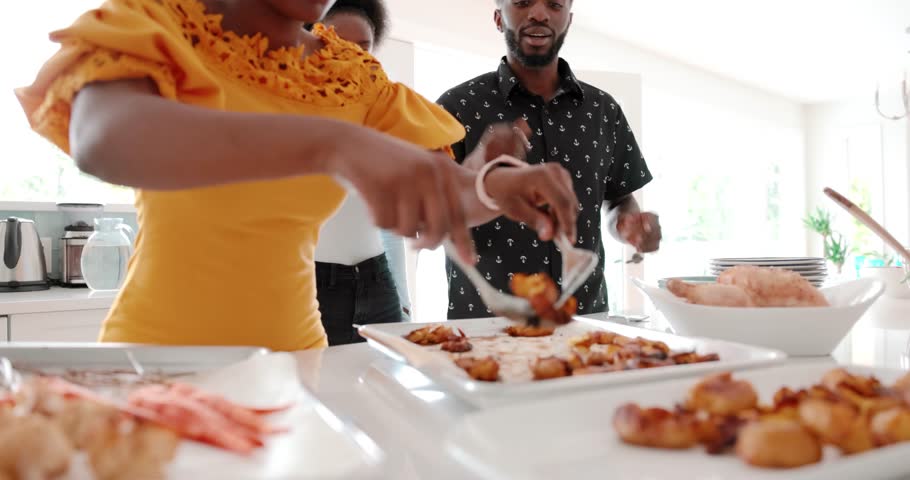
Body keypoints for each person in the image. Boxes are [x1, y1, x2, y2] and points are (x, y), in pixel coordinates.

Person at [15, 0, 579, 351]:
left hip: (298, 363)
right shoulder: (159, 17)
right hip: (159, 358)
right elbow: (107, 139)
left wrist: (494, 186)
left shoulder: (349, 72)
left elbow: (443, 194)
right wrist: (331, 142)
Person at [437, 0, 662, 319]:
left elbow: (619, 199)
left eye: (554, 4)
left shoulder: (603, 110)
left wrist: (627, 224)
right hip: (485, 325)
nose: (539, 13)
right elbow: (429, 214)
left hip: (587, 322)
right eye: (523, 2)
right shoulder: (455, 108)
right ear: (499, 18)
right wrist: (486, 185)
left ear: (568, 21)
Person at [309, 0, 411, 345]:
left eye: (363, 47)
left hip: (377, 281)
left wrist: (403, 298)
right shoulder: (291, 107)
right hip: (312, 284)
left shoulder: (384, 114)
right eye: (336, 42)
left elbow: (388, 221)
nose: (350, 55)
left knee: (386, 392)